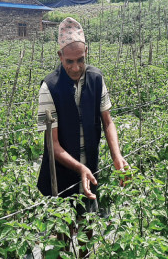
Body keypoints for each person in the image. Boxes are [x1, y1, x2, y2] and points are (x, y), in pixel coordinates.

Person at [36, 17, 128, 255]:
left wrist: (116, 156)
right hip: (62, 172)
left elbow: (108, 122)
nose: (76, 67)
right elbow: (53, 145)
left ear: (86, 52)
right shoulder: (49, 87)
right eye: (69, 61)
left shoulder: (96, 79)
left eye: (81, 60)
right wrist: (79, 168)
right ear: (59, 56)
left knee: (88, 225)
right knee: (64, 230)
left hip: (91, 165)